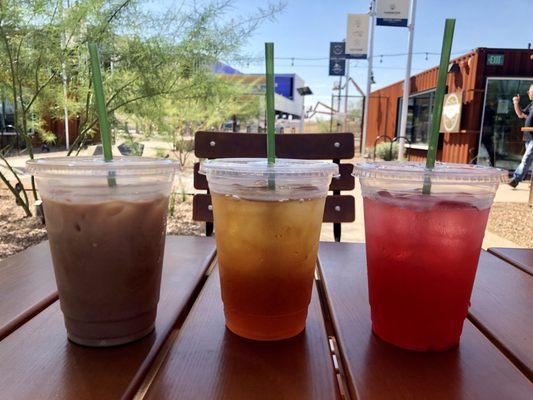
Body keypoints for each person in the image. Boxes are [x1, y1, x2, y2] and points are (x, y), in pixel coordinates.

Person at [509, 84, 533, 188]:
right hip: (528, 137)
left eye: (530, 90)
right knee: (528, 160)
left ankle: (516, 179)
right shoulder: (531, 105)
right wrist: (515, 102)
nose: (528, 93)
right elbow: (520, 114)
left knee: (526, 158)